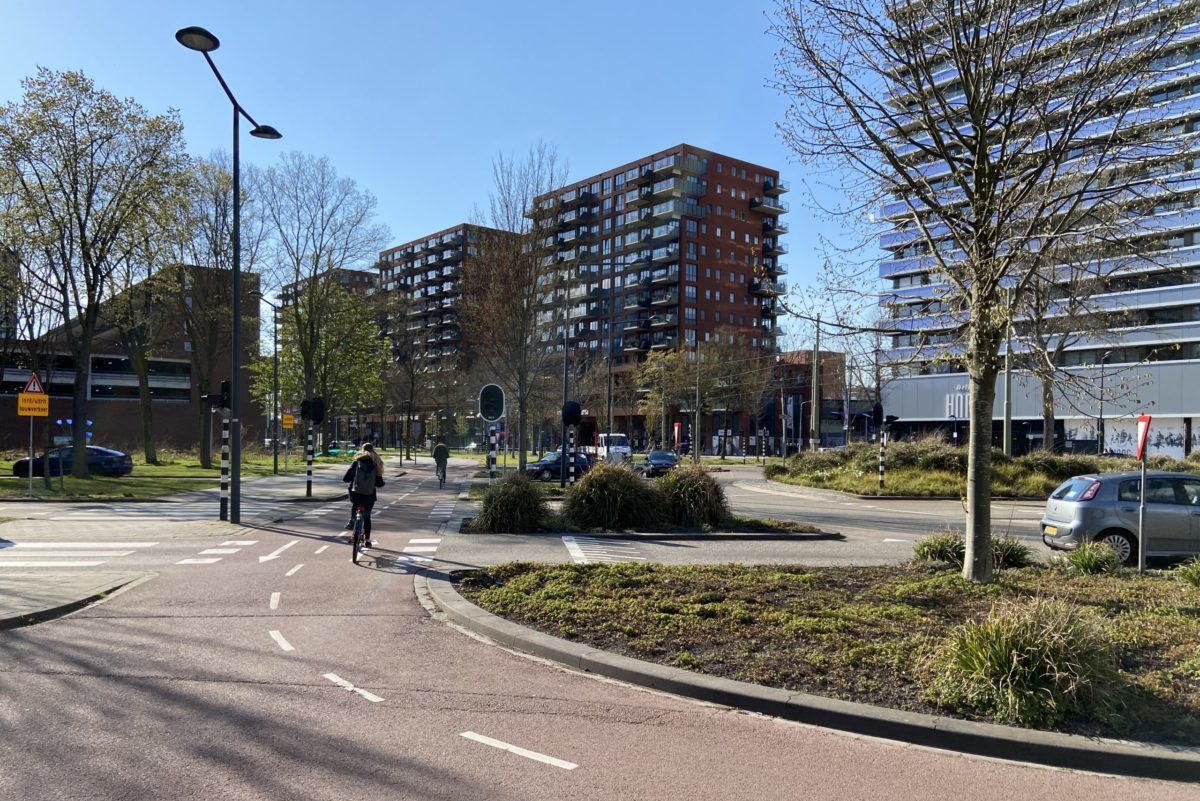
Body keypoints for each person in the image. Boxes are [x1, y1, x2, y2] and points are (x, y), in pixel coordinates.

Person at [342, 442, 384, 544]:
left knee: (355, 505)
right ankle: (368, 540)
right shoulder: (376, 464)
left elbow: (346, 478)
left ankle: (352, 521)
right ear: (373, 450)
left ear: (362, 450)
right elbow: (379, 483)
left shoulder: (357, 462)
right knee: (367, 517)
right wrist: (381, 483)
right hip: (369, 495)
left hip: (355, 494)